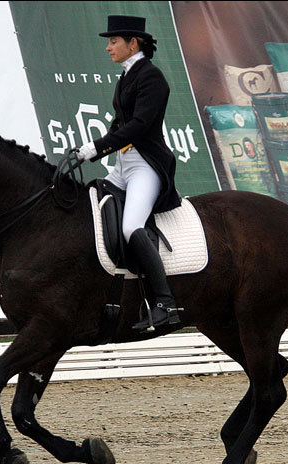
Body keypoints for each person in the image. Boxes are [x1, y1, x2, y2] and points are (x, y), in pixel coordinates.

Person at [75, 14, 183, 332]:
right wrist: (93, 152)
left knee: (130, 226)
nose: (108, 48)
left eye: (113, 42)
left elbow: (139, 126)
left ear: (132, 43)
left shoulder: (152, 78)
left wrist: (96, 148)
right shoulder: (126, 76)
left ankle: (165, 303)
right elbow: (120, 122)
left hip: (146, 166)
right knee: (93, 209)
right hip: (123, 165)